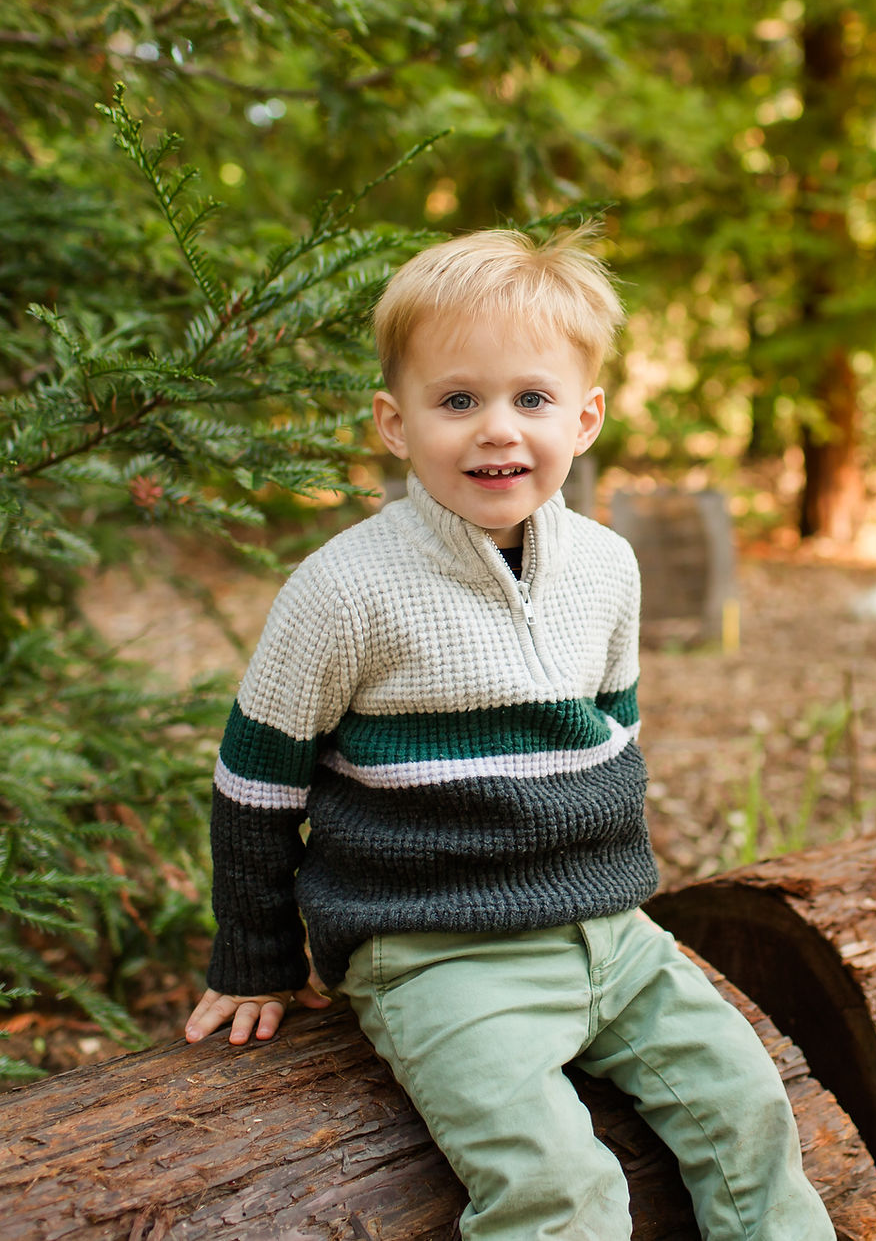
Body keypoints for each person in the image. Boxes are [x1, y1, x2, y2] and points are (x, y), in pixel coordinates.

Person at [185, 226, 835, 1240]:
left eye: (529, 399)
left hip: (611, 938)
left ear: (583, 418)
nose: (497, 429)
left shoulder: (607, 568)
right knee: (559, 1191)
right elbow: (257, 784)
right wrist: (257, 957)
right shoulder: (346, 590)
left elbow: (611, 741)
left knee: (749, 1111)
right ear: (393, 424)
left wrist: (619, 897)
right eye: (457, 401)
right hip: (437, 951)